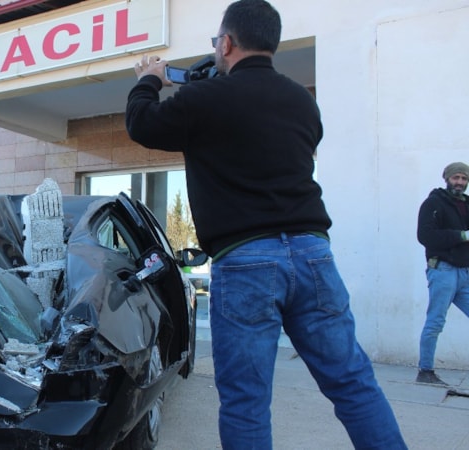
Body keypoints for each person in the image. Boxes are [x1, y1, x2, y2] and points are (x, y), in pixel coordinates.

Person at [125, 1, 407, 448]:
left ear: (227, 43)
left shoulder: (205, 99)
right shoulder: (301, 101)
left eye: (217, 41)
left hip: (247, 261)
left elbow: (141, 124)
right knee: (354, 384)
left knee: (245, 401)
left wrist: (150, 78)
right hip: (314, 256)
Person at [415, 162, 469, 385]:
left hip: (464, 273)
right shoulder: (433, 203)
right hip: (443, 271)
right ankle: (425, 371)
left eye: (464, 179)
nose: (460, 182)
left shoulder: (467, 205)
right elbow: (425, 236)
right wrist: (462, 236)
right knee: (436, 321)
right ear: (446, 178)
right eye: (456, 177)